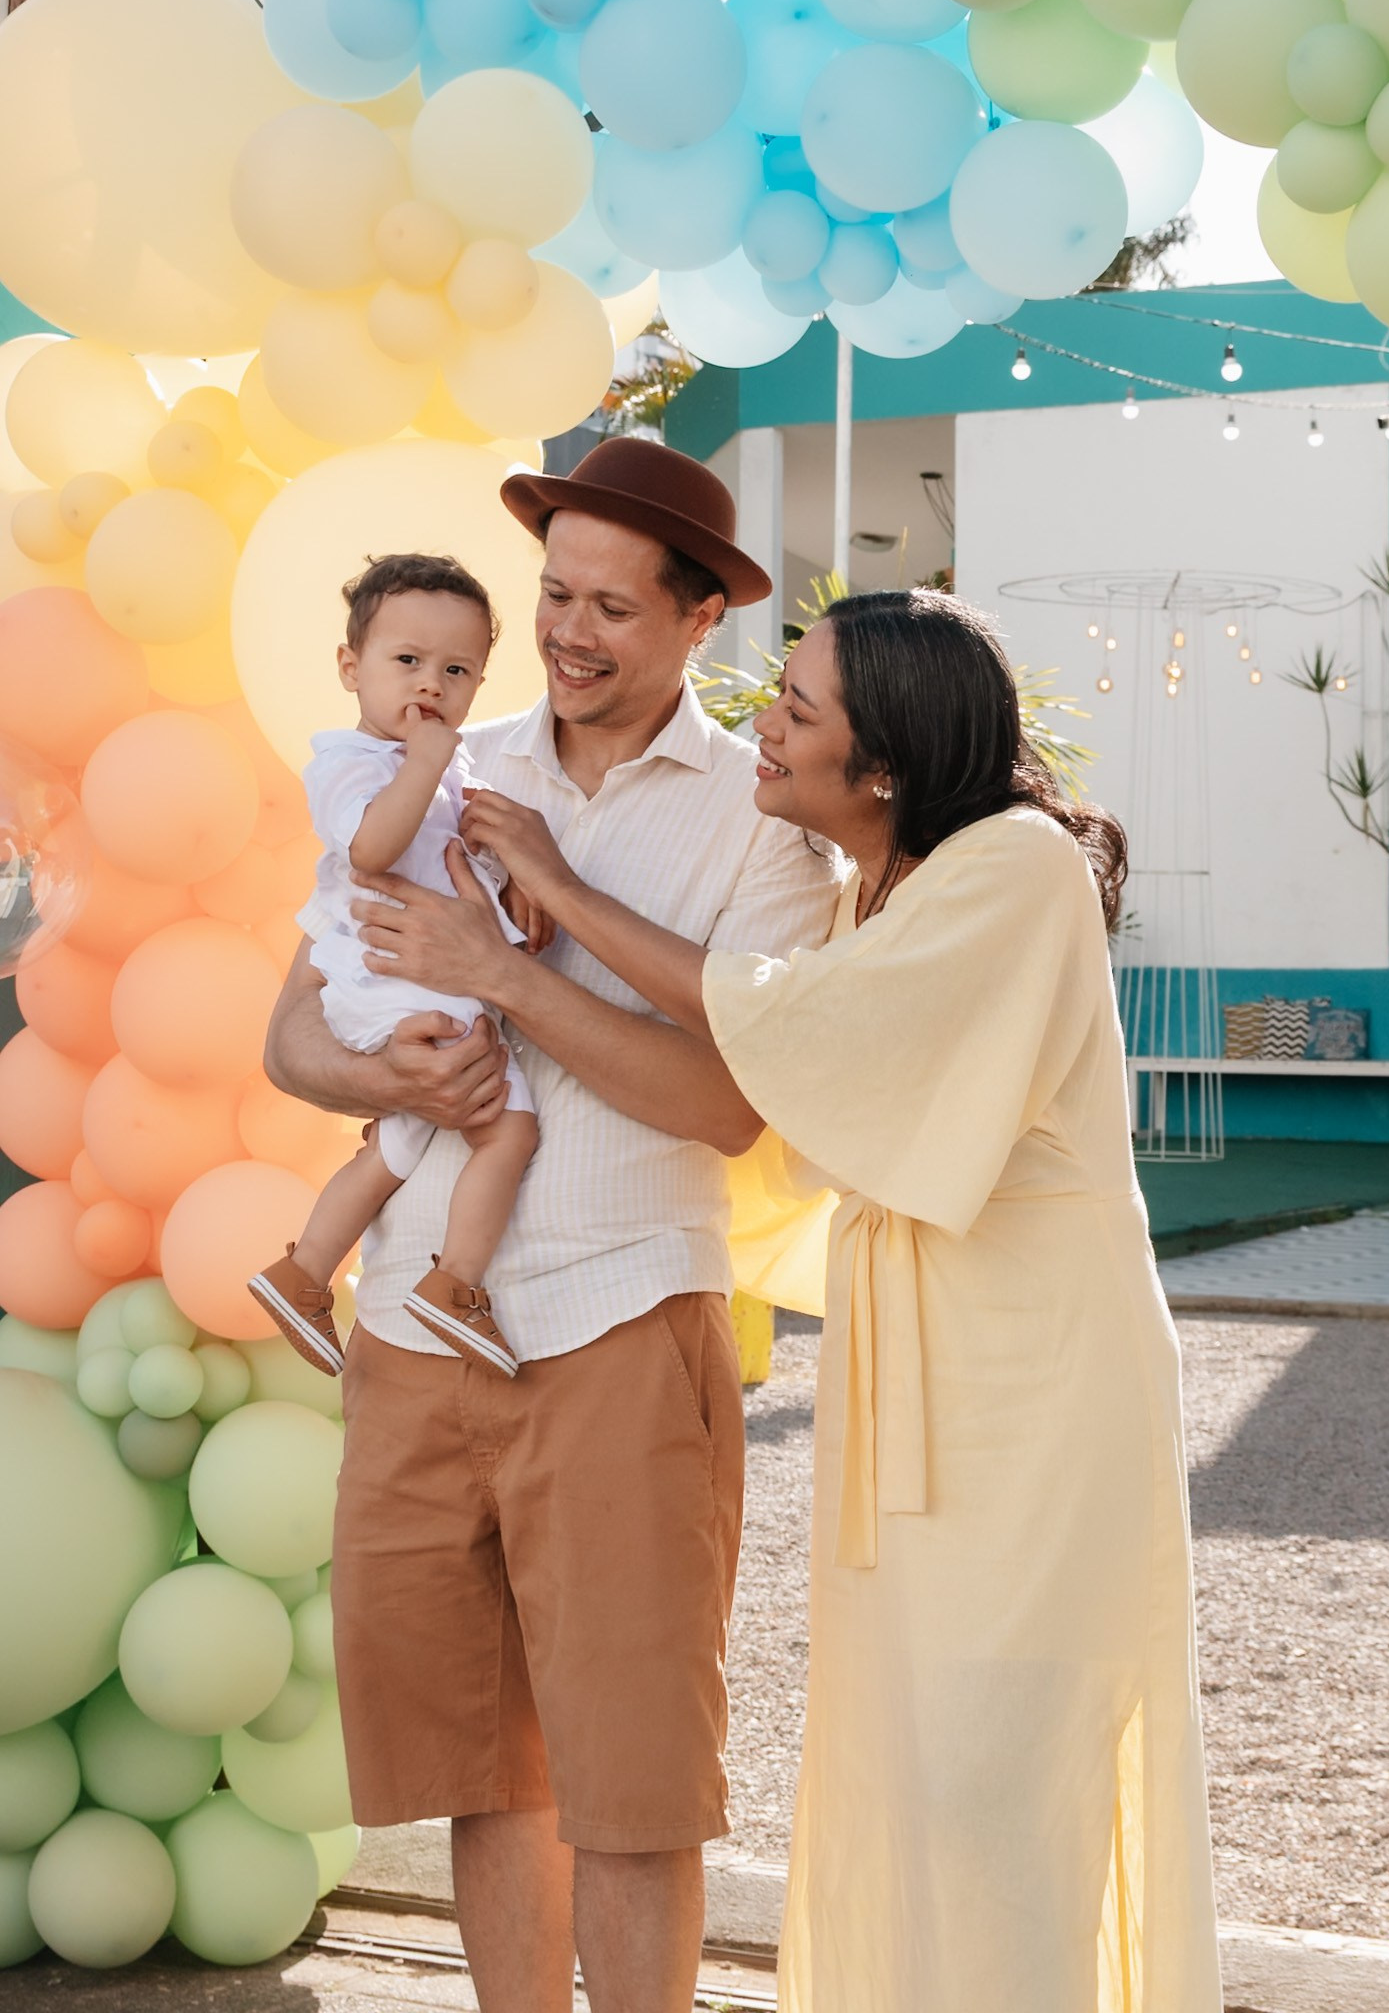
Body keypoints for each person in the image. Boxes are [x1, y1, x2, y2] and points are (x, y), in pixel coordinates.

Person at [451, 586, 1223, 2013]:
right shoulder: (873, 886)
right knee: (912, 1760)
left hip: (1034, 1391)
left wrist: (555, 894)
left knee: (1002, 1774)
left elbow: (782, 1023)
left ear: (881, 765)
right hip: (919, 1370)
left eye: (796, 709)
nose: (763, 723)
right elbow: (771, 1064)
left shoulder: (1017, 866)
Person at [262, 440, 842, 2013]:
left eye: (611, 608)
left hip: (619, 1326)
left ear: (700, 619)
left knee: (633, 1789)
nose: (567, 633)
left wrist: (502, 974)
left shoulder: (762, 826)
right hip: (413, 1333)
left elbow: (725, 1104)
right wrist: (388, 1071)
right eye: (554, 594)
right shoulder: (444, 754)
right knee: (483, 1772)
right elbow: (290, 1037)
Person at [250, 553, 540, 1379]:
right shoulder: (350, 762)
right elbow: (374, 849)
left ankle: (305, 1272)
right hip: (385, 981)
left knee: (398, 1145)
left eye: (456, 671)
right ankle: (455, 1285)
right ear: (352, 668)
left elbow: (453, 859)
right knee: (510, 1128)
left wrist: (511, 876)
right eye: (407, 660)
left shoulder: (448, 768)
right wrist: (425, 763)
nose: (429, 686)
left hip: (417, 984)